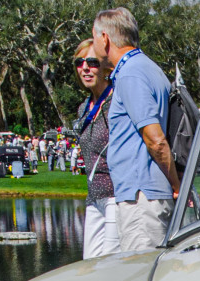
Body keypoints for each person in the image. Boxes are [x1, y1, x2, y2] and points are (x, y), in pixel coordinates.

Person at [92, 6, 180, 251]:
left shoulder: (131, 74)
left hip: (142, 197)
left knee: (140, 274)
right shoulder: (147, 67)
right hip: (146, 194)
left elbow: (155, 139)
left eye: (94, 37)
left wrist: (176, 184)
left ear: (104, 38)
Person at [73, 38, 120, 259]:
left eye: (91, 62)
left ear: (105, 66)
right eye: (79, 63)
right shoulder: (84, 107)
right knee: (89, 263)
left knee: (110, 264)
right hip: (94, 198)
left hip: (115, 197)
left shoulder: (117, 102)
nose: (85, 68)